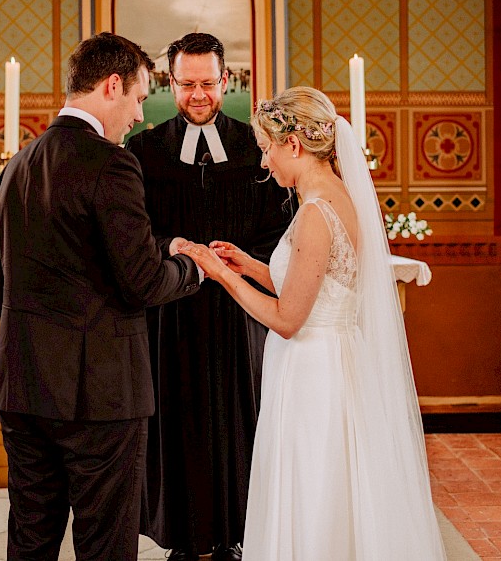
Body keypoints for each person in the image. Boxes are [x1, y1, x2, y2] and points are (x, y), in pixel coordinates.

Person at [180, 87, 447, 560]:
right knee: (333, 483)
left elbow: (287, 319)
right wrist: (250, 266)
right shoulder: (336, 198)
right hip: (333, 359)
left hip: (311, 372)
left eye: (266, 150)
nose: (264, 164)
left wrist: (220, 276)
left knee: (311, 484)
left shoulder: (313, 215)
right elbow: (316, 285)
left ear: (294, 146)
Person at [0, 32, 203, 561]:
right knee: (104, 544)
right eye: (137, 98)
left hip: (23, 385)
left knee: (30, 538)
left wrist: (158, 249)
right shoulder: (111, 163)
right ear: (112, 86)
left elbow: (4, 282)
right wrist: (191, 267)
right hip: (99, 395)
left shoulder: (17, 165)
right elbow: (143, 282)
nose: (137, 116)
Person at [125, 33, 293, 561]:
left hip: (240, 316)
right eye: (186, 84)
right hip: (170, 318)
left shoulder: (254, 147)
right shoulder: (144, 150)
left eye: (208, 83)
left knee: (241, 423)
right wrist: (173, 257)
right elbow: (134, 231)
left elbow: (281, 232)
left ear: (227, 81)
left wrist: (237, 264)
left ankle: (237, 535)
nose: (198, 94)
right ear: (167, 84)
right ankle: (183, 537)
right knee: (176, 427)